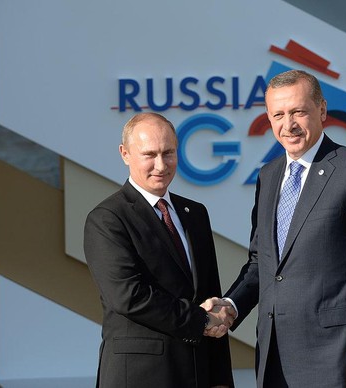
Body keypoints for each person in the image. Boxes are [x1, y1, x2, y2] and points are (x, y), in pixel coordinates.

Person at [205, 69, 346, 388]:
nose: (288, 125)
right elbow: (262, 264)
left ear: (322, 110)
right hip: (273, 356)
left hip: (336, 357)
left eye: (298, 111)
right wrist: (231, 305)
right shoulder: (268, 175)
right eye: (278, 114)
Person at [84, 112, 235, 388]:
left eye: (168, 152)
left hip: (198, 374)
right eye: (149, 154)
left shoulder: (195, 214)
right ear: (125, 154)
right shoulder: (107, 218)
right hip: (141, 376)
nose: (161, 165)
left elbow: (209, 294)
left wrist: (221, 379)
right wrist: (200, 320)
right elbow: (129, 296)